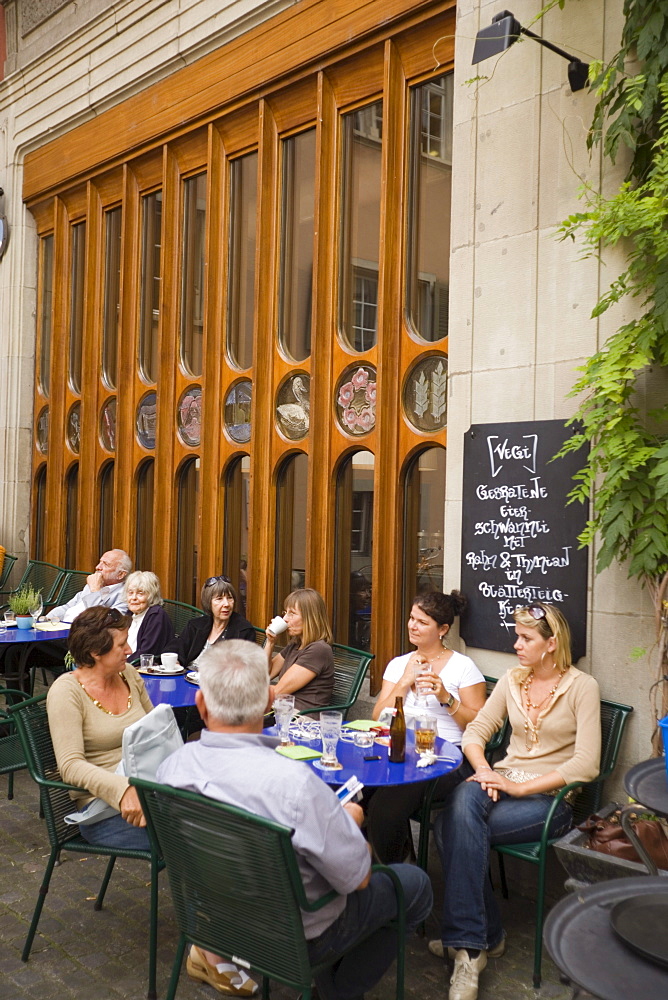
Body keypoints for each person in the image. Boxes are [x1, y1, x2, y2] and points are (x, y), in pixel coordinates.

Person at [156, 639, 433, 1000]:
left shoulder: (171, 768)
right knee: (413, 884)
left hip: (213, 924)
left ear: (201, 704)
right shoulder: (296, 786)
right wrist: (347, 822)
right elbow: (359, 878)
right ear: (270, 702)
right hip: (292, 938)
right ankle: (339, 991)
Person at [431, 603, 601, 1000]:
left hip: (548, 800)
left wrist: (520, 788)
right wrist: (485, 770)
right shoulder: (512, 679)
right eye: (517, 635)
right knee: (461, 808)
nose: (516, 644)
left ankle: (475, 944)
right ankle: (476, 946)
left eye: (526, 638)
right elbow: (476, 731)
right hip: (497, 780)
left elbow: (586, 764)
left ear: (552, 643)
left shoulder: (582, 687)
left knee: (448, 827)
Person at [367, 591, 486, 863]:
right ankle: (379, 869)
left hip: (447, 758)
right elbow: (377, 717)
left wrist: (446, 697)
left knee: (385, 807)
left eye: (421, 622)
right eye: (411, 618)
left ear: (442, 629)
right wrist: (405, 681)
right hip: (399, 750)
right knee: (355, 793)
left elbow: (479, 725)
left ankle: (400, 879)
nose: (412, 625)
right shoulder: (399, 664)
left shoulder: (462, 667)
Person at [46, 606, 153, 849]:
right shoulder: (67, 692)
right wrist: (124, 790)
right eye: (122, 645)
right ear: (96, 652)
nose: (130, 650)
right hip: (103, 811)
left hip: (149, 791)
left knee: (216, 816)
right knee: (192, 842)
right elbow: (70, 766)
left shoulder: (127, 674)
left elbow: (155, 729)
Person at [265, 588, 334, 712]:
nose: (285, 618)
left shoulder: (319, 650)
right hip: (281, 712)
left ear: (310, 618)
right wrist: (270, 642)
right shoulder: (295, 645)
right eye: (285, 612)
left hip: (302, 719)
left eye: (292, 613)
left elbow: (277, 691)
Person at [163, 576, 255, 667]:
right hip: (188, 677)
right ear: (208, 602)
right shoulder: (196, 625)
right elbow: (175, 647)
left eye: (230, 598)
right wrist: (176, 662)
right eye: (219, 599)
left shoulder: (243, 631)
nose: (226, 604)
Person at [46, 549, 132, 623]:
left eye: (106, 564)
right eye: (100, 562)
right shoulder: (94, 584)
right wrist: (45, 619)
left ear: (120, 574)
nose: (97, 567)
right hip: (62, 628)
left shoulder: (126, 595)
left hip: (84, 636)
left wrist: (95, 590)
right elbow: (68, 607)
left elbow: (105, 621)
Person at [122, 571, 175, 664]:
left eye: (140, 593)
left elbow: (146, 653)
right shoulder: (130, 614)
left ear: (151, 596)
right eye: (130, 593)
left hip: (141, 668)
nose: (133, 598)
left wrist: (119, 666)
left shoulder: (156, 616)